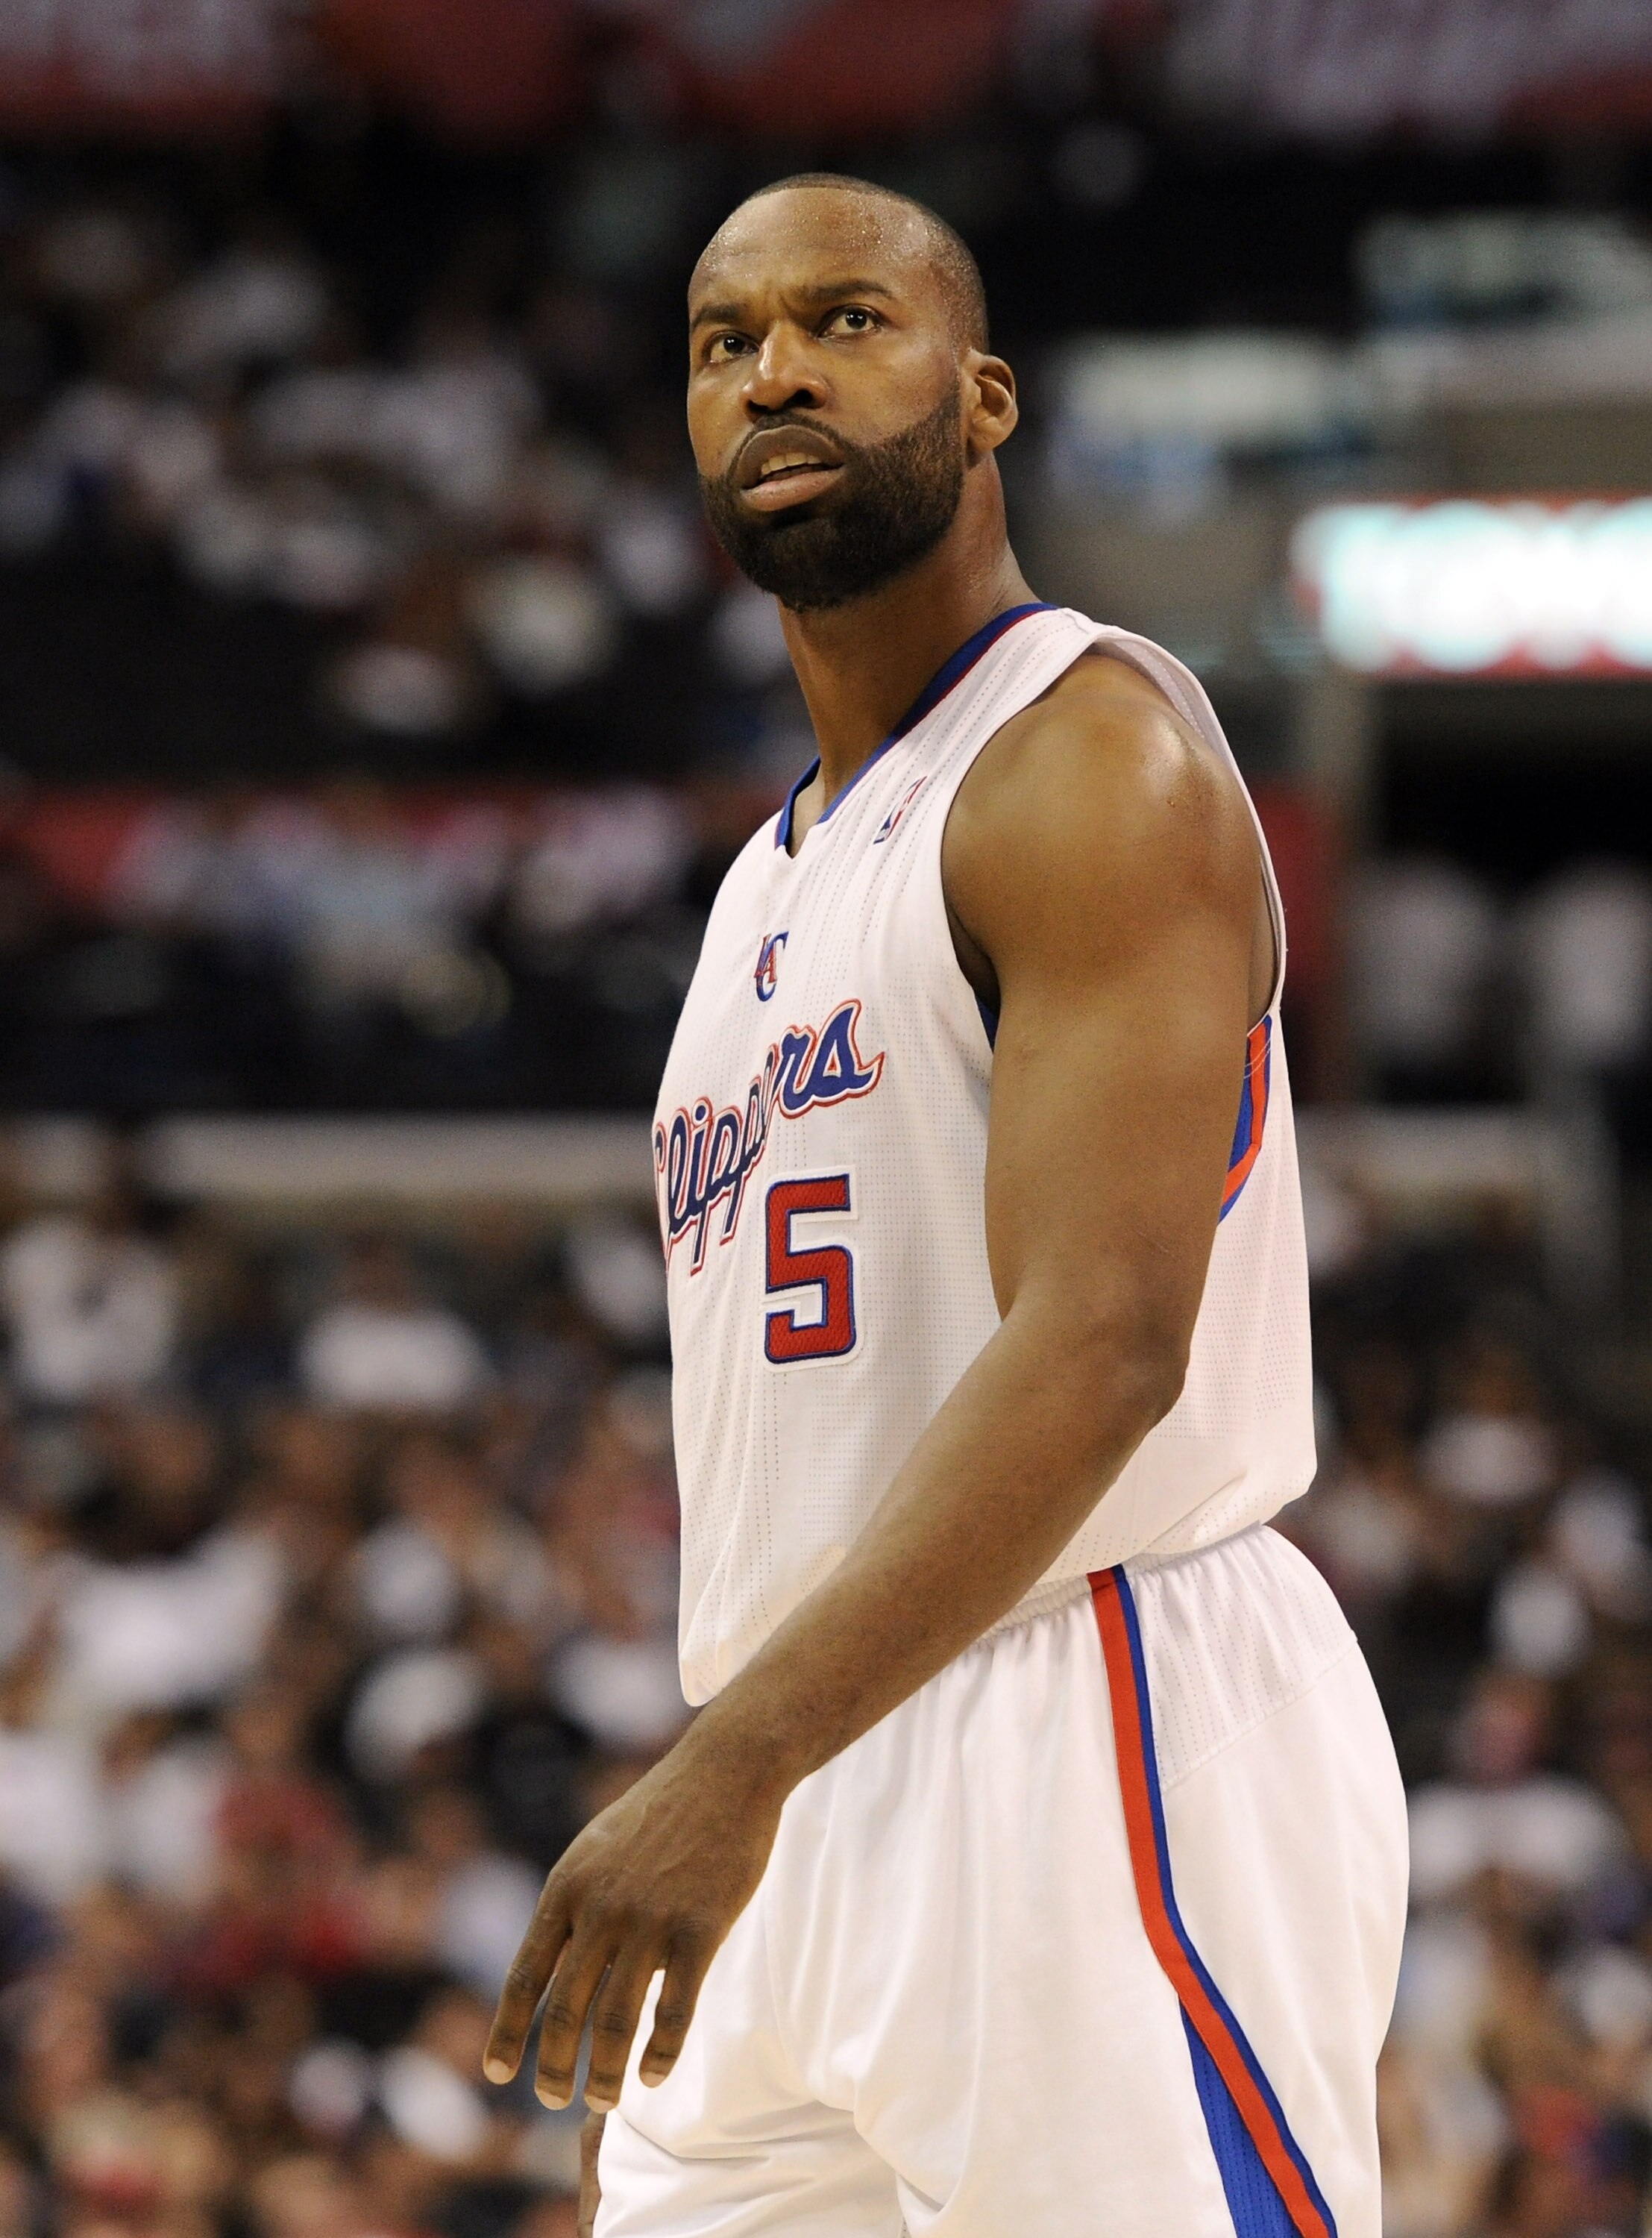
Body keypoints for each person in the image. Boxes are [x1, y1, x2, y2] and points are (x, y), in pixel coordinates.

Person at [484, 173, 1409, 2238]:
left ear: (983, 397)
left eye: (846, 320)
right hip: (804, 1748)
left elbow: (1103, 1344)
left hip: (1086, 1702)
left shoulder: (1087, 760)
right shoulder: (768, 878)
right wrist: (755, 1773)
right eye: (725, 343)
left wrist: (734, 1768)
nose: (775, 374)